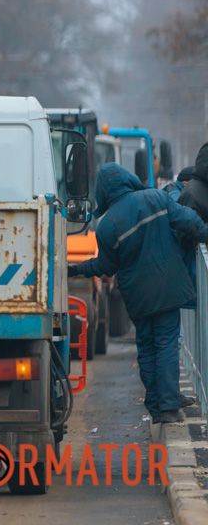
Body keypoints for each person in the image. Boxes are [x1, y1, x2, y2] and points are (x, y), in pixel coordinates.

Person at [69, 162, 208, 423]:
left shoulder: (106, 224)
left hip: (137, 296)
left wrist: (76, 270)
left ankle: (156, 407)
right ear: (127, 179)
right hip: (168, 287)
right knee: (166, 344)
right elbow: (188, 221)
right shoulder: (156, 197)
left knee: (146, 348)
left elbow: (106, 265)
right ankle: (168, 407)